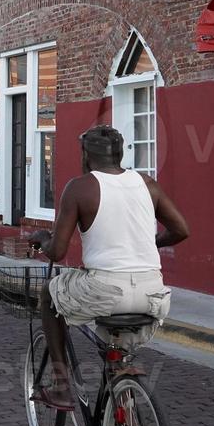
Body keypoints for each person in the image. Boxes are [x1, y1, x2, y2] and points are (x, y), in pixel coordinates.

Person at [28, 126, 188, 410]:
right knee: (116, 349)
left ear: (86, 155)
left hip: (104, 290)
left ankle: (62, 386)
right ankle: (120, 405)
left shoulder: (80, 187)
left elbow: (59, 250)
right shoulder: (147, 184)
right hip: (153, 293)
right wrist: (149, 244)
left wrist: (42, 240)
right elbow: (180, 229)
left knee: (49, 295)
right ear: (119, 154)